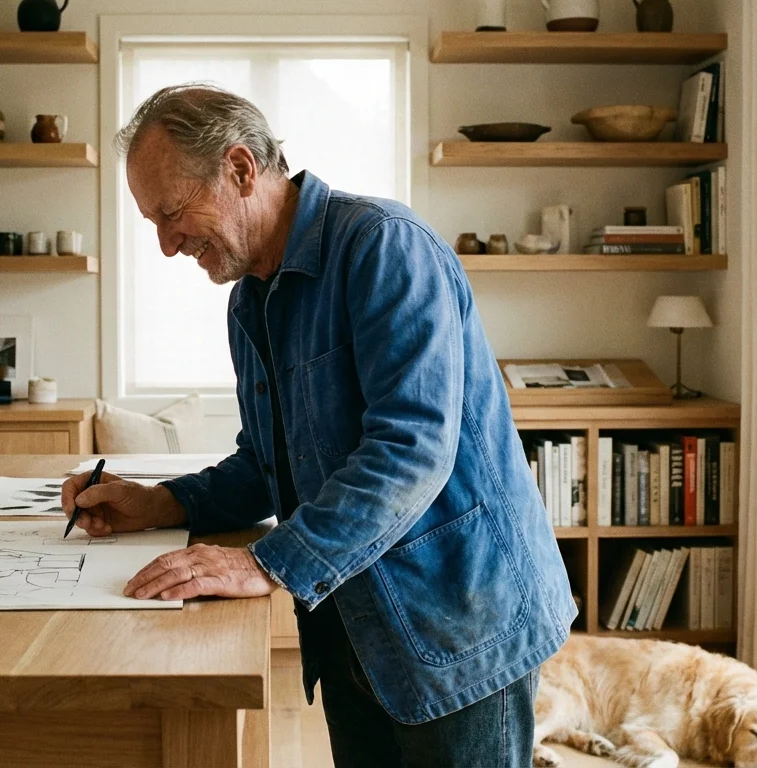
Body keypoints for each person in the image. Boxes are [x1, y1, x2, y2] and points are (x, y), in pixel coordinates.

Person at [62, 84, 576, 767]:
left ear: (240, 169)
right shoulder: (249, 299)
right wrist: (161, 503)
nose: (165, 245)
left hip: (457, 627)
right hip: (351, 626)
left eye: (172, 213)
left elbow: (411, 451)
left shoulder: (385, 247)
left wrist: (263, 562)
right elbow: (268, 463)